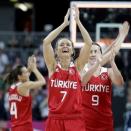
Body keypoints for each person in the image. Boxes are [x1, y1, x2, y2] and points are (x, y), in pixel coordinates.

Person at [42, 7, 94, 131]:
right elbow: (46, 42)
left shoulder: (78, 66)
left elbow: (89, 43)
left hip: (74, 119)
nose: (65, 46)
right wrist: (64, 24)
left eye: (68, 44)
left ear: (72, 51)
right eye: (61, 44)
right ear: (56, 51)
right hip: (55, 119)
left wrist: (79, 22)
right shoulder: (52, 67)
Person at [81, 21, 130, 131]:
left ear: (100, 54)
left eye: (96, 52)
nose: (93, 54)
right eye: (90, 52)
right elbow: (83, 81)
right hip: (84, 122)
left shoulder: (107, 71)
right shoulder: (80, 69)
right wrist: (121, 36)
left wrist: (120, 36)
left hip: (104, 121)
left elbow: (120, 83)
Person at [6, 55, 46, 131]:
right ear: (19, 76)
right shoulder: (25, 86)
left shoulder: (12, 88)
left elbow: (25, 78)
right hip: (24, 127)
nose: (28, 73)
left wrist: (29, 67)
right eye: (25, 72)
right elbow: (43, 81)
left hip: (14, 127)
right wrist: (35, 69)